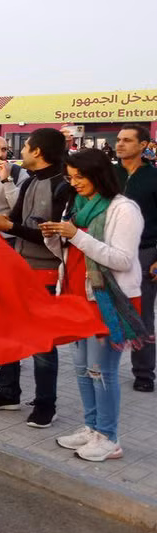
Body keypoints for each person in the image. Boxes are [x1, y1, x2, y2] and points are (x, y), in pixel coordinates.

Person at [44, 149, 146, 462]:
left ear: (98, 174)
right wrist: (53, 236)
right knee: (82, 369)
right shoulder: (80, 205)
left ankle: (109, 437)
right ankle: (92, 428)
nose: (74, 183)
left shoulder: (123, 209)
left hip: (107, 301)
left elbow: (122, 259)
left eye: (80, 177)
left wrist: (75, 236)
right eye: (70, 177)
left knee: (103, 372)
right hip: (77, 298)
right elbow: (69, 251)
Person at [0, 128, 74, 427]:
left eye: (27, 145)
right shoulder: (31, 180)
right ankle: (8, 393)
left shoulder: (62, 186)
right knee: (8, 330)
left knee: (41, 339)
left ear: (39, 152)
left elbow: (52, 234)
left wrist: (10, 226)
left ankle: (46, 404)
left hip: (44, 271)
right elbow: (17, 221)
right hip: (17, 266)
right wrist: (1, 224)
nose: (21, 150)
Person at [114, 124, 157, 392]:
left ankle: (144, 374)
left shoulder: (153, 178)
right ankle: (100, 365)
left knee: (140, 316)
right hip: (108, 253)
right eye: (118, 140)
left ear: (143, 145)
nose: (120, 144)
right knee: (104, 311)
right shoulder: (109, 175)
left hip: (144, 253)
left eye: (127, 140)